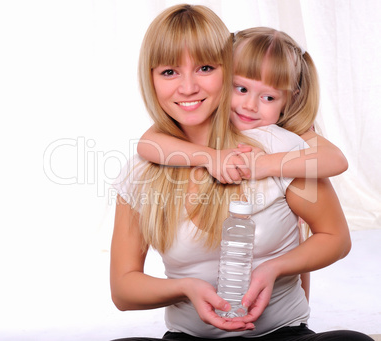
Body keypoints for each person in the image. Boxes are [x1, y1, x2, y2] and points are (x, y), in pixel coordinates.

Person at [110, 4, 371, 341]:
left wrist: (275, 268)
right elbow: (123, 290)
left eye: (204, 68)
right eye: (169, 72)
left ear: (226, 68)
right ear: (150, 79)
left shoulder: (279, 144)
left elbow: (335, 234)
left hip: (281, 333)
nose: (188, 87)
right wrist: (187, 288)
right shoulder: (143, 170)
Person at [136, 26, 349, 301]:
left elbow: (336, 159)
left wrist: (267, 165)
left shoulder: (289, 136)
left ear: (290, 99)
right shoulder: (203, 123)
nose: (250, 106)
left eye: (268, 97)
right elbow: (147, 143)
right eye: (241, 88)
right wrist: (209, 157)